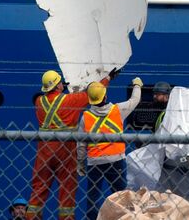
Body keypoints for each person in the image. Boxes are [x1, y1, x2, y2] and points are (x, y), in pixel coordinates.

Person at [26, 68, 120, 220]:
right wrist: (108, 78)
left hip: (44, 151)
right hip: (65, 150)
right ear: (58, 86)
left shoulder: (39, 102)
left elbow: (49, 99)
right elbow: (92, 93)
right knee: (67, 188)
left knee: (39, 187)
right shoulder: (70, 100)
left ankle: (31, 217)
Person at [78, 77, 143, 220]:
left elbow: (81, 145)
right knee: (121, 195)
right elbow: (134, 100)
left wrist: (81, 164)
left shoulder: (86, 117)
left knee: (93, 197)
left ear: (90, 99)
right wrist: (137, 85)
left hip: (95, 162)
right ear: (105, 96)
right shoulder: (118, 110)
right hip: (116, 160)